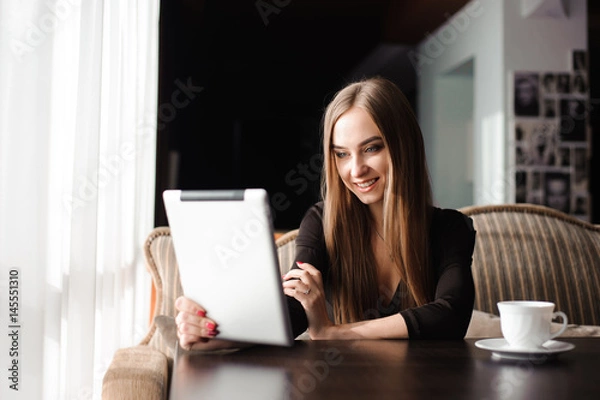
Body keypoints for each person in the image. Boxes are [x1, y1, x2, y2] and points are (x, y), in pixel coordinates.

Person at [175, 77, 477, 351]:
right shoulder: (323, 221)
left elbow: (450, 316)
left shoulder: (450, 228)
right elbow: (296, 309)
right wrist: (218, 333)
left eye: (372, 148)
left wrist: (336, 332)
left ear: (404, 147)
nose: (356, 169)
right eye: (342, 154)